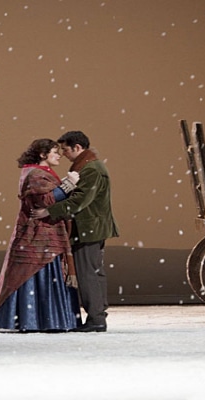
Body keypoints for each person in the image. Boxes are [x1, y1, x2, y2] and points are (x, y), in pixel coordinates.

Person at [0, 138, 82, 332]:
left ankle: (43, 320)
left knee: (40, 271)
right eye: (54, 152)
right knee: (35, 270)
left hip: (46, 233)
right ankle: (41, 320)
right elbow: (45, 200)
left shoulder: (39, 172)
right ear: (42, 154)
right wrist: (68, 185)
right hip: (39, 235)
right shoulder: (36, 174)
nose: (59, 156)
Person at [32, 131, 119, 332]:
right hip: (90, 227)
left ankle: (96, 318)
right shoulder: (88, 166)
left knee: (88, 274)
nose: (63, 154)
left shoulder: (91, 169)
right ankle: (97, 317)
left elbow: (80, 200)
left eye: (65, 149)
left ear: (77, 147)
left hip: (89, 229)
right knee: (93, 273)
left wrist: (49, 211)